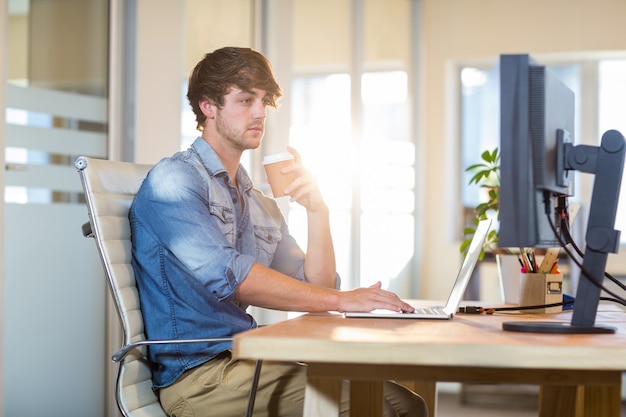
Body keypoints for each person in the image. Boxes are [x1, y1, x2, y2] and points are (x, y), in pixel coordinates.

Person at [130, 46, 428, 417]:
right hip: (200, 379)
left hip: (250, 359)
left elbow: (319, 287)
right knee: (389, 409)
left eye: (263, 101)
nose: (259, 113)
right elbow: (234, 278)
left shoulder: (254, 199)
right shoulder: (173, 181)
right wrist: (345, 300)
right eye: (245, 100)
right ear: (208, 106)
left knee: (405, 402)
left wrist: (319, 211)